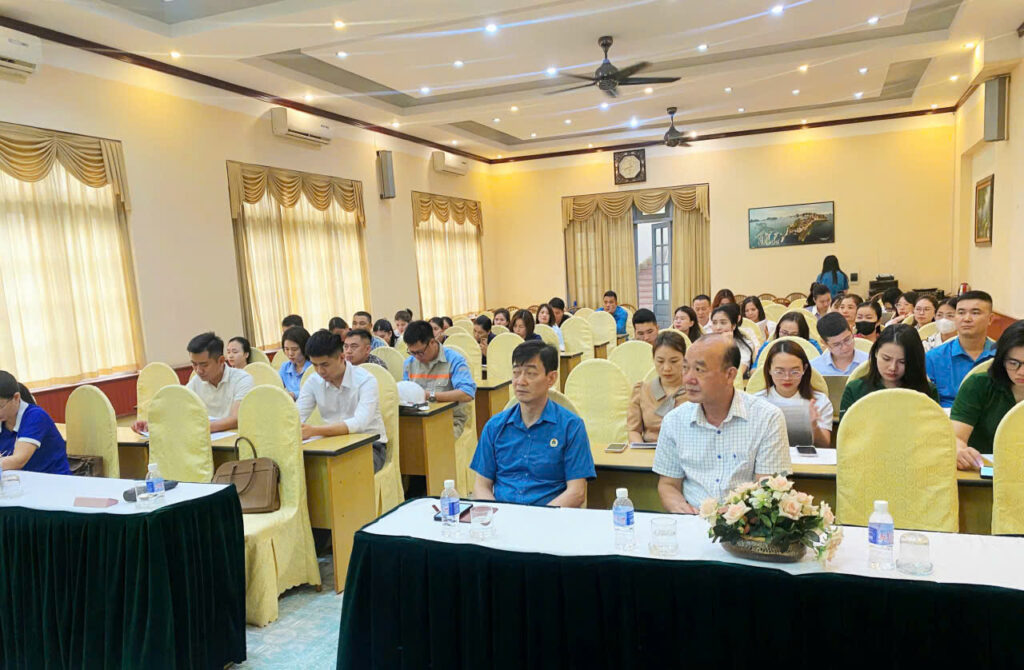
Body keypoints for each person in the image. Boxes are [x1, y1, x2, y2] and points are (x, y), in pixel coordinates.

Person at [653, 335, 791, 513]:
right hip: (693, 518)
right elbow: (668, 484)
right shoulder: (674, 420)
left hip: (746, 522)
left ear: (730, 374)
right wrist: (681, 508)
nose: (688, 379)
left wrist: (731, 516)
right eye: (685, 368)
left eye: (699, 370)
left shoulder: (767, 418)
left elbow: (769, 489)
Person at [471, 341, 594, 506]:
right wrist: (497, 514)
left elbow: (577, 492)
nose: (520, 381)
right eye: (516, 373)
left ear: (551, 378)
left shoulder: (571, 427)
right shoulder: (494, 426)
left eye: (530, 373)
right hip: (503, 515)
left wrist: (538, 517)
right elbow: (481, 486)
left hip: (550, 516)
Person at [298, 330, 388, 471]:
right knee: (303, 469)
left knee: (344, 471)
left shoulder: (365, 380)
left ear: (341, 357)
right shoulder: (313, 381)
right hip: (332, 444)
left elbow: (359, 424)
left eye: (325, 365)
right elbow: (297, 415)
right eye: (315, 365)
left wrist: (314, 431)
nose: (320, 371)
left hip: (369, 445)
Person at [133, 332, 254, 434]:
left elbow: (236, 419)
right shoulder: (196, 381)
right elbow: (177, 408)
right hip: (205, 441)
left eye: (204, 365)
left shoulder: (242, 379)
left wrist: (199, 428)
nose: (198, 370)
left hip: (233, 441)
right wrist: (153, 425)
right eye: (194, 364)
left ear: (221, 360)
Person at [951, 321, 1024, 470]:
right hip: (982, 472)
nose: (1021, 372)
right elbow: (956, 437)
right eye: (1013, 363)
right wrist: (959, 451)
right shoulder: (978, 385)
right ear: (1001, 360)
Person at [839, 324, 939, 420]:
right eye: (886, 359)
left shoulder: (927, 392)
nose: (893, 367)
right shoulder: (855, 390)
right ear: (876, 353)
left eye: (902, 362)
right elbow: (846, 429)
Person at [403, 320, 477, 439]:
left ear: (432, 342)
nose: (416, 357)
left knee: (433, 441)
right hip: (418, 421)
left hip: (450, 420)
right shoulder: (409, 363)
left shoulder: (454, 360)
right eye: (412, 352)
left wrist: (431, 396)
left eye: (420, 352)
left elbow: (467, 393)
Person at [753, 340, 833, 448]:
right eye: (779, 372)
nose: (787, 378)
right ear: (769, 370)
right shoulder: (757, 402)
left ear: (804, 369)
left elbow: (824, 445)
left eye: (794, 372)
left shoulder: (819, 401)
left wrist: (814, 427)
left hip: (805, 458)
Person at [926, 290, 997, 408]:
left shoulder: (1003, 357)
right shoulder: (933, 358)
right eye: (961, 312)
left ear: (990, 319)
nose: (967, 319)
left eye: (975, 313)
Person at [0, 371, 71, 475]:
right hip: (19, 478)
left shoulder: (35, 416)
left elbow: (18, 460)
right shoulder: (3, 419)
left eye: (0, 406)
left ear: (16, 398)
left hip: (53, 479)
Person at [627, 331, 687, 444]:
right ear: (653, 359)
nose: (667, 368)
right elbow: (633, 431)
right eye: (660, 361)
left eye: (674, 361)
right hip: (650, 451)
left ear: (684, 359)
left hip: (686, 451)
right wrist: (641, 450)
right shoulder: (641, 390)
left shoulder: (695, 392)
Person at [751, 312, 823, 369]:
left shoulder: (811, 346)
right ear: (778, 330)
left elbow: (821, 368)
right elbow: (754, 370)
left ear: (802, 334)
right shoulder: (767, 346)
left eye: (794, 334)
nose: (788, 337)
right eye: (784, 333)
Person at [709, 303, 756, 378]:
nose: (718, 327)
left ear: (733, 326)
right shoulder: (706, 343)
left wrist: (727, 345)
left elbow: (739, 371)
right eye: (714, 323)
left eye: (723, 323)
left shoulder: (744, 343)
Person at [279, 326, 312, 399]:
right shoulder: (285, 367)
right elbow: (277, 388)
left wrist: (294, 395)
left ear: (304, 347)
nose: (290, 353)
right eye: (286, 349)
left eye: (294, 349)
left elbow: (314, 391)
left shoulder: (314, 367)